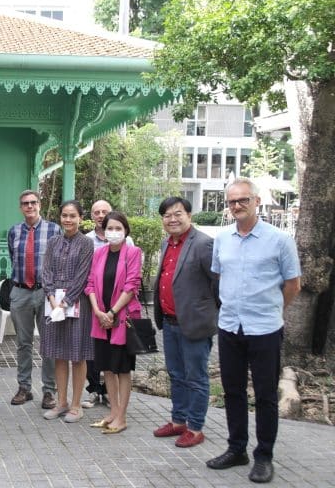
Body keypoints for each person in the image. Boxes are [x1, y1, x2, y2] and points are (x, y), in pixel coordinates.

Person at [207, 178, 301, 483]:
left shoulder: (279, 240)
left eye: (243, 200)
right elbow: (218, 277)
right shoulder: (223, 239)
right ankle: (237, 449)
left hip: (265, 329)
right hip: (230, 327)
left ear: (256, 201)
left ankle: (264, 456)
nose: (237, 206)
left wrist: (273, 310)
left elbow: (293, 284)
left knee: (265, 395)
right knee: (233, 391)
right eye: (232, 201)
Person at [152, 197, 219, 448]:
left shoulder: (203, 244)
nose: (172, 219)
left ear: (189, 215)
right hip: (169, 322)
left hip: (194, 324)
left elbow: (218, 283)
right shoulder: (166, 243)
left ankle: (195, 427)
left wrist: (208, 312)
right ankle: (178, 420)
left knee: (196, 377)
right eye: (167, 215)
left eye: (177, 214)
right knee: (176, 374)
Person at [85, 211, 143, 434]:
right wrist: (98, 311)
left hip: (122, 319)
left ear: (125, 230)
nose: (114, 232)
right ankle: (113, 413)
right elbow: (90, 284)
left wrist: (112, 312)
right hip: (101, 319)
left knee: (122, 369)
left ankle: (122, 417)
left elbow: (132, 285)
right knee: (107, 368)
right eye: (110, 228)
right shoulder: (99, 253)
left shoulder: (133, 252)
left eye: (118, 228)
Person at [40, 200, 94, 422]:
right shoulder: (53, 242)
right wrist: (52, 300)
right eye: (64, 215)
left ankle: (76, 405)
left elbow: (82, 276)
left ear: (80, 218)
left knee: (77, 356)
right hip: (53, 303)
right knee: (59, 354)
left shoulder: (86, 243)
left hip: (77, 303)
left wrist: (65, 303)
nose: (68, 219)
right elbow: (46, 271)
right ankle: (61, 402)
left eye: (73, 216)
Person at [6, 190, 61, 409]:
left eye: (33, 202)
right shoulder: (14, 231)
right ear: (20, 207)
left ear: (39, 204)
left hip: (46, 292)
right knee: (23, 343)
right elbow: (14, 257)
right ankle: (24, 388)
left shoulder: (54, 229)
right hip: (20, 292)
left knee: (48, 343)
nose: (29, 206)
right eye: (25, 203)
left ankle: (49, 391)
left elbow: (59, 261)